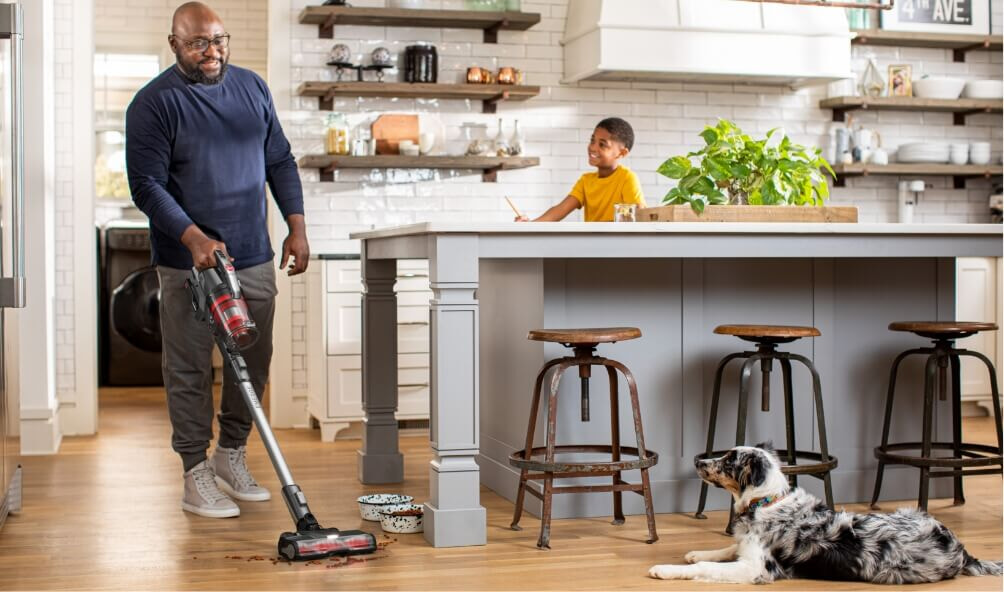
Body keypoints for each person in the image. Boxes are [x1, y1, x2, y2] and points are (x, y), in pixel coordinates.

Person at [126, 2, 309, 519]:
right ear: (175, 44)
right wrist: (192, 238)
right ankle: (194, 471)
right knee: (189, 365)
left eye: (219, 39)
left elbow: (279, 160)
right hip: (188, 261)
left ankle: (231, 454)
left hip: (251, 253)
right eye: (198, 43)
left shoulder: (253, 88)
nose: (212, 51)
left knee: (253, 358)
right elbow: (146, 186)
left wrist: (296, 227)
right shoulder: (154, 103)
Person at [516, 117, 646, 222]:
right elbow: (560, 210)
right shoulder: (586, 181)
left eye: (602, 144)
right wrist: (531, 225)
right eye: (592, 141)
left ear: (621, 153)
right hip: (592, 244)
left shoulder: (627, 178)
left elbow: (640, 215)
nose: (593, 148)